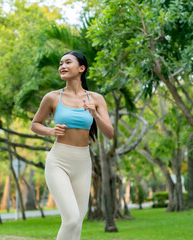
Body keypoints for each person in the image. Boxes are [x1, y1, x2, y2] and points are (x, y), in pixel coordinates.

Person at [31, 50, 114, 240]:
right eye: (60, 63)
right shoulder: (52, 97)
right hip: (59, 160)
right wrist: (50, 131)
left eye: (68, 62)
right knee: (71, 219)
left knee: (78, 221)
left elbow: (109, 133)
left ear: (81, 68)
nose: (62, 66)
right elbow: (35, 124)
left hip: (82, 162)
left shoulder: (96, 99)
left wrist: (95, 114)